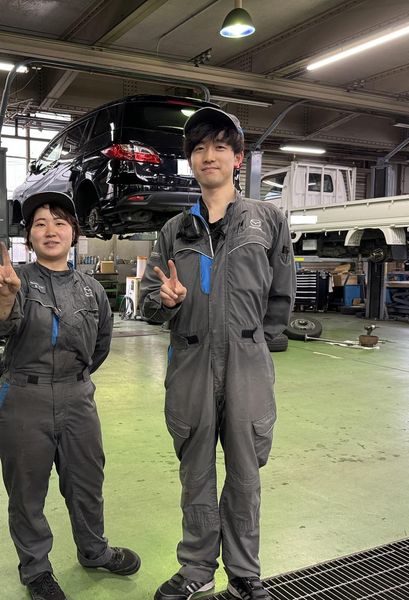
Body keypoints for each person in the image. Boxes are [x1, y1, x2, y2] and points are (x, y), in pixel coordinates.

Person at [140, 107, 296, 600]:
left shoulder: (268, 220)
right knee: (196, 472)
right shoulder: (174, 230)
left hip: (247, 361)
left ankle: (245, 574)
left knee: (246, 473)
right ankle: (197, 568)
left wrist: (256, 344)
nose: (209, 156)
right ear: (191, 160)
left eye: (220, 147)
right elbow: (149, 302)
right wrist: (165, 303)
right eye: (200, 148)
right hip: (191, 362)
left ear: (237, 158)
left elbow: (282, 294)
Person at [0, 191, 140, 600]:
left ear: (74, 234)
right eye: (40, 224)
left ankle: (94, 550)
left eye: (60, 222)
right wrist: (5, 296)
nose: (50, 231)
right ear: (29, 237)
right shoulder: (13, 279)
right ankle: (36, 569)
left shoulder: (92, 290)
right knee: (27, 491)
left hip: (77, 398)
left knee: (87, 482)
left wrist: (72, 381)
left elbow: (100, 346)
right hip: (24, 398)